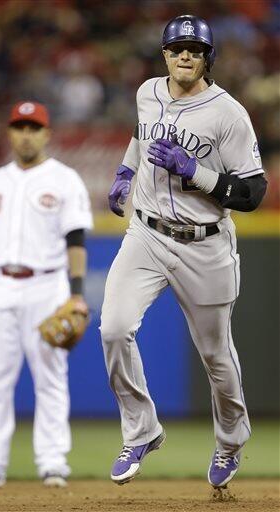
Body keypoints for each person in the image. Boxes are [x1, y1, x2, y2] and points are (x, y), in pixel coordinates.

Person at [100, 15, 267, 489]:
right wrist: (126, 173)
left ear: (208, 57)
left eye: (195, 49)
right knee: (113, 327)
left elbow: (254, 194)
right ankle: (141, 430)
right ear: (165, 55)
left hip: (205, 243)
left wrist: (196, 171)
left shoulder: (228, 113)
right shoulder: (148, 92)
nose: (185, 56)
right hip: (147, 234)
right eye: (177, 49)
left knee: (216, 356)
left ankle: (231, 441)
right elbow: (140, 134)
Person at [0, 101, 93, 488]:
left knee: (50, 378)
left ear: (47, 134)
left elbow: (77, 239)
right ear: (10, 133)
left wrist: (77, 294)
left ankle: (53, 463)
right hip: (0, 286)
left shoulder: (65, 179)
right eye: (20, 127)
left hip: (47, 285)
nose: (26, 134)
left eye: (34, 127)